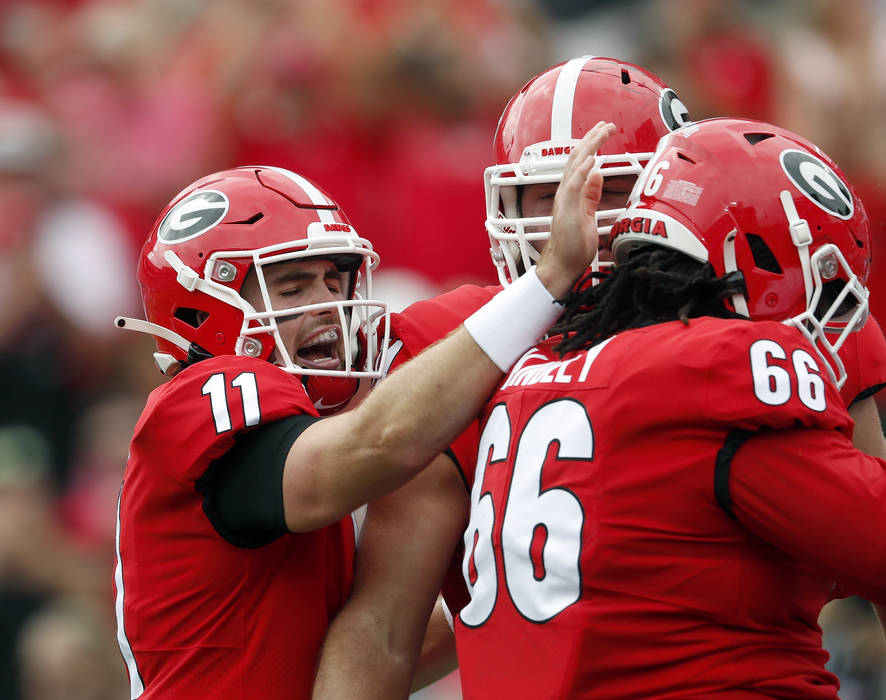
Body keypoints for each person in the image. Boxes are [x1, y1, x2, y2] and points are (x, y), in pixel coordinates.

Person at [312, 57, 886, 699]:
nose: (576, 220)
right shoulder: (458, 355)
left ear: (675, 189)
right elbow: (399, 627)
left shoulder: (769, 321)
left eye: (612, 186)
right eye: (542, 195)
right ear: (502, 209)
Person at [110, 149, 609, 700]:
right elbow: (379, 443)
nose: (328, 305)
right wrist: (545, 283)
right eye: (294, 288)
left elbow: (375, 645)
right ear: (203, 309)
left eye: (332, 280)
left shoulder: (294, 424)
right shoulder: (197, 401)